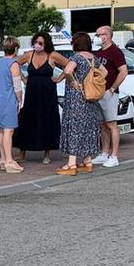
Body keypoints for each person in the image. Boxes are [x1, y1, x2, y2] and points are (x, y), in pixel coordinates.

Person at [13, 31, 66, 163]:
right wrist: (23, 78)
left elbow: (69, 65)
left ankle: (47, 153)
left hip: (47, 93)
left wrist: (59, 79)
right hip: (31, 92)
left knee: (47, 120)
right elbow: (14, 64)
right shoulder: (29, 54)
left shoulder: (52, 55)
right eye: (35, 42)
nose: (37, 45)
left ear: (46, 44)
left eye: (40, 43)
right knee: (27, 120)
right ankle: (22, 152)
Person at [56, 32, 104, 175]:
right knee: (88, 129)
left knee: (74, 128)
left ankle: (71, 164)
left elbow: (67, 70)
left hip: (76, 99)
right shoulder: (93, 59)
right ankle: (87, 161)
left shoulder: (76, 57)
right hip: (90, 99)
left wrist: (74, 82)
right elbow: (105, 72)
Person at [0, 37, 25, 172]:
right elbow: (17, 86)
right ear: (15, 49)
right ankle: (9, 161)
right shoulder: (13, 64)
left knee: (1, 130)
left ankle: (2, 159)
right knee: (9, 130)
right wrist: (20, 100)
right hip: (9, 100)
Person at [92, 26, 129, 168]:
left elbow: (123, 71)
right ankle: (104, 153)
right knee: (103, 125)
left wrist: (113, 87)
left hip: (109, 93)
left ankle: (114, 156)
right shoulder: (99, 52)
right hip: (99, 92)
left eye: (100, 34)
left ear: (107, 35)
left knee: (112, 124)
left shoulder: (115, 51)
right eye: (97, 34)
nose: (97, 37)